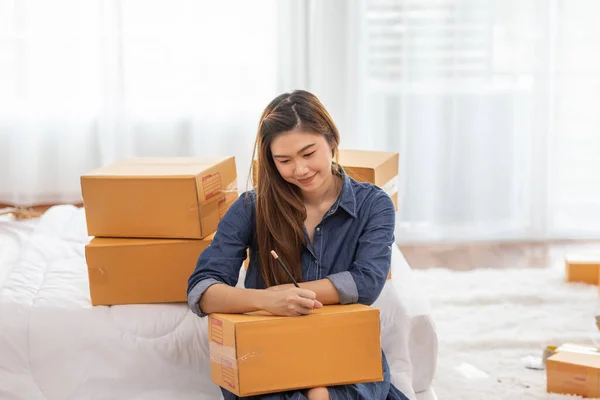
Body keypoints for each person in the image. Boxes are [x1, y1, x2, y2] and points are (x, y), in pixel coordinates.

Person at [187, 90, 408, 400]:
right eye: (284, 161)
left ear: (331, 140)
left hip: (341, 343)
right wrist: (266, 300)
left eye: (308, 154)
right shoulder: (251, 207)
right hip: (268, 348)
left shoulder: (373, 204)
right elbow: (202, 291)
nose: (300, 170)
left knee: (328, 393)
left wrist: (292, 295)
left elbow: (368, 282)